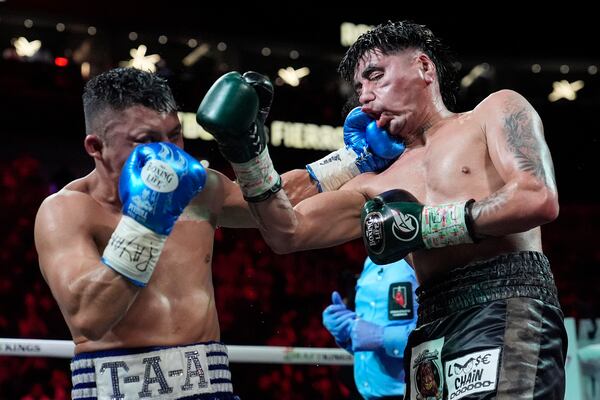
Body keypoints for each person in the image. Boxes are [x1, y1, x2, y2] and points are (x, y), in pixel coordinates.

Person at [197, 20, 566, 399]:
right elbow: (286, 233)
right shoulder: (375, 183)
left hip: (505, 303)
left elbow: (536, 197)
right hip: (430, 328)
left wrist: (427, 228)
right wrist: (249, 154)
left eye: (375, 76)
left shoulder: (492, 112)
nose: (365, 97)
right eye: (359, 88)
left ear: (424, 67)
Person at [33, 66, 397, 399]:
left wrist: (353, 159)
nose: (166, 154)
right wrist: (149, 219)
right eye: (145, 141)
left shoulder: (201, 187)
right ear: (96, 147)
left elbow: (276, 205)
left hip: (210, 386)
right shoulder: (66, 211)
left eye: (174, 136)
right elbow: (89, 318)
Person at [322, 257, 418, 400]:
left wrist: (382, 336)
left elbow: (444, 328)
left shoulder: (420, 259)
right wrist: (347, 331)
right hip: (364, 394)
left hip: (412, 393)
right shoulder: (371, 261)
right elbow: (367, 333)